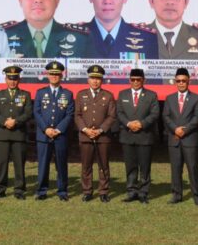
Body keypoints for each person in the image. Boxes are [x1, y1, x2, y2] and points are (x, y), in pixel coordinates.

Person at [74, 64, 117, 203]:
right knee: (86, 166)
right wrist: (86, 130)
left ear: (102, 80)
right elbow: (77, 115)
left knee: (103, 165)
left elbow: (112, 116)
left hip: (102, 136)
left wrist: (100, 130)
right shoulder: (81, 95)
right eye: (92, 78)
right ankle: (87, 191)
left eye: (98, 78)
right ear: (88, 79)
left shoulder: (108, 96)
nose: (95, 81)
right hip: (86, 136)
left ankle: (103, 191)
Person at [163, 68, 198, 207]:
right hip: (174, 138)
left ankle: (197, 196)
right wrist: (175, 129)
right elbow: (166, 116)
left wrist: (184, 130)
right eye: (178, 81)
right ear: (175, 82)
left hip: (190, 139)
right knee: (175, 168)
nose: (181, 83)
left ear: (189, 81)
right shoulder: (169, 98)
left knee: (192, 168)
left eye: (183, 81)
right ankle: (176, 195)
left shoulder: (196, 98)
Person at [33, 61, 74, 201]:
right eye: (52, 74)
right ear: (47, 75)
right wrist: (46, 129)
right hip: (43, 135)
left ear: (61, 75)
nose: (54, 76)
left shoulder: (68, 94)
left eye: (57, 74)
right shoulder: (40, 92)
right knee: (43, 164)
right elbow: (36, 112)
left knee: (61, 165)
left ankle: (62, 191)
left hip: (60, 135)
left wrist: (58, 129)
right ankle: (42, 191)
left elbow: (69, 114)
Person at [0, 65, 33, 200]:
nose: (12, 81)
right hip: (3, 133)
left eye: (15, 79)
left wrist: (16, 121)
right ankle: (0, 189)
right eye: (10, 78)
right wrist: (4, 122)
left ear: (19, 79)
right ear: (5, 79)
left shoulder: (25, 95)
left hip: (19, 133)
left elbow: (28, 113)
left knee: (19, 163)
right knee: (2, 163)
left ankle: (19, 190)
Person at [117, 68, 159, 204]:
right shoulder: (122, 94)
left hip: (144, 136)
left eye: (138, 79)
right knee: (130, 166)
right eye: (133, 79)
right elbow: (119, 113)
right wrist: (129, 123)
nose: (135, 82)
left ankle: (143, 193)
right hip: (127, 135)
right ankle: (131, 191)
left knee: (145, 167)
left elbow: (154, 114)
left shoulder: (151, 95)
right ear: (129, 80)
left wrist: (141, 124)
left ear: (143, 80)